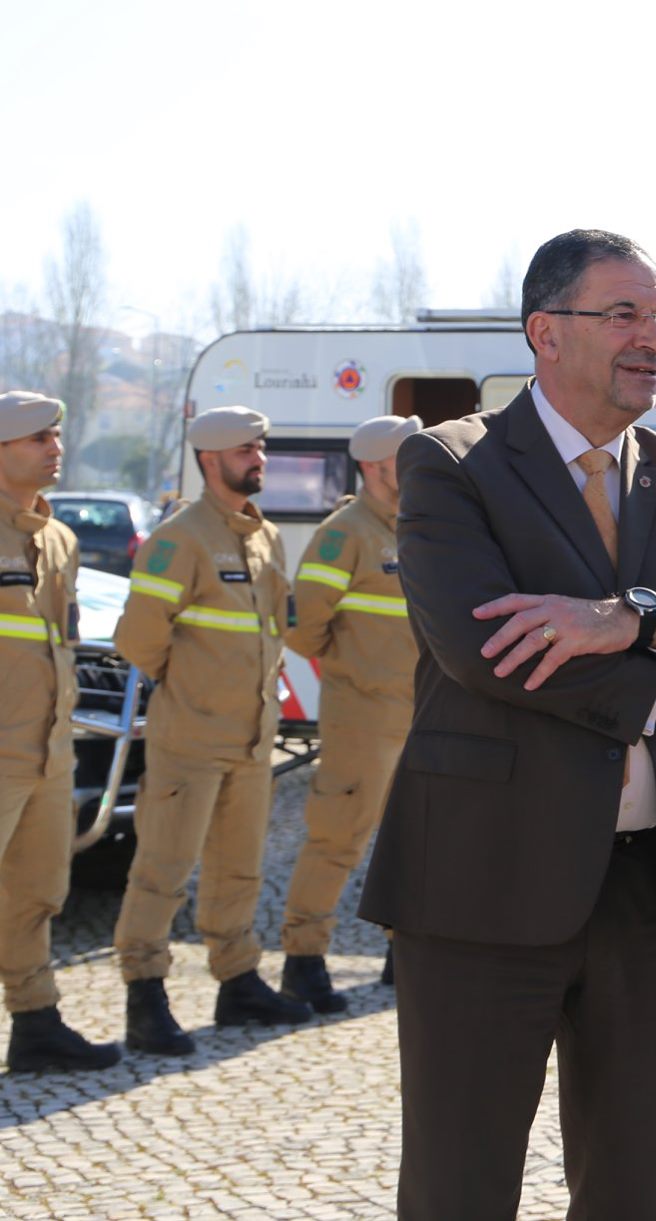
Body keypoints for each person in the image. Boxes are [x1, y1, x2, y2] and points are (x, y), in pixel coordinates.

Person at [358, 228, 656, 1221]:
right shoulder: (452, 463)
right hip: (480, 883)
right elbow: (484, 652)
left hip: (651, 886)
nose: (652, 338)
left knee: (627, 1185)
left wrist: (630, 618)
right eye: (624, 315)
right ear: (544, 333)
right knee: (460, 1185)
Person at [114, 404, 310, 1055]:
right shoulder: (180, 538)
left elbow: (275, 628)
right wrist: (193, 691)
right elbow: (139, 640)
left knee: (239, 869)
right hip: (190, 739)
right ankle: (145, 994)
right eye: (245, 451)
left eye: (260, 448)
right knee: (162, 870)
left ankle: (238, 979)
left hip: (251, 740)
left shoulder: (265, 536)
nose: (258, 459)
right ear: (210, 459)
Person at [277, 413, 422, 1012]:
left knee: (414, 841)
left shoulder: (421, 526)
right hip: (361, 717)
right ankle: (303, 960)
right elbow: (303, 625)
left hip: (418, 716)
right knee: (338, 838)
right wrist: (353, 666)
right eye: (403, 458)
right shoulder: (345, 533)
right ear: (373, 467)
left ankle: (403, 950)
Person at [0, 391, 121, 1071]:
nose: (55, 447)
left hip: (48, 750)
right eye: (38, 437)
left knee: (39, 889)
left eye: (56, 436)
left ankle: (36, 1020)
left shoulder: (60, 539)